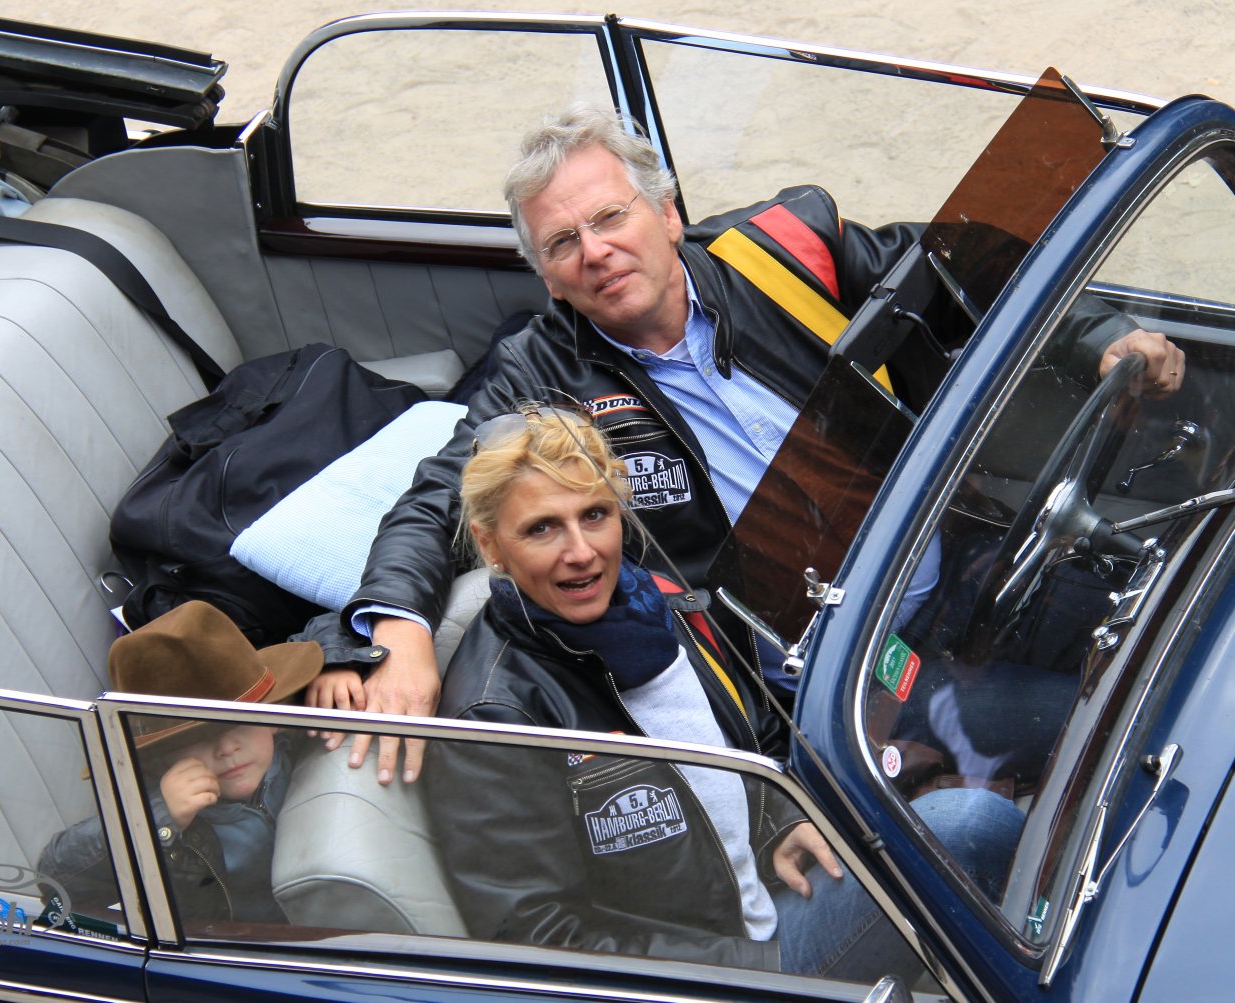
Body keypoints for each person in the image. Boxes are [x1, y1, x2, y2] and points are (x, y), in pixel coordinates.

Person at [311, 103, 1185, 785]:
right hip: (839, 671)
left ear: (667, 212)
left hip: (964, 561)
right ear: (547, 277)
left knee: (1174, 639)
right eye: (563, 244)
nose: (596, 252)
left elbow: (961, 266)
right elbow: (437, 498)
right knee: (1114, 734)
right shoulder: (539, 377)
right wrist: (394, 629)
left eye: (611, 217)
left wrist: (1099, 333)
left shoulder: (785, 244)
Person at [422, 406, 1022, 980]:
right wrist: (757, 969)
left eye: (596, 515)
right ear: (491, 545)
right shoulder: (496, 714)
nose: (581, 552)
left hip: (776, 891)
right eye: (542, 528)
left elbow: (761, 734)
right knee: (973, 824)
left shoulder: (659, 603)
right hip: (736, 969)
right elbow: (537, 935)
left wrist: (783, 819)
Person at [39, 600, 322, 925]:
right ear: (158, 756)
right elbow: (56, 876)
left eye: (241, 721)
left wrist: (341, 669)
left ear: (273, 716)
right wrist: (158, 815)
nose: (227, 747)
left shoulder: (299, 737)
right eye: (196, 737)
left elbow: (332, 627)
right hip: (240, 946)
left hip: (346, 927)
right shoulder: (162, 807)